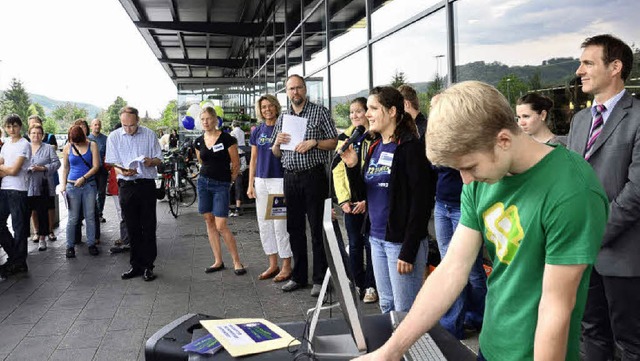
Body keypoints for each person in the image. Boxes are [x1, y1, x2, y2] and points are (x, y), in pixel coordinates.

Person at [355, 81, 609, 361]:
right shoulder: (481, 181)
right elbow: (451, 270)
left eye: (470, 166)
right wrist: (389, 352)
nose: (465, 180)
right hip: (490, 348)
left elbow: (556, 309)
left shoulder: (572, 191)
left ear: (503, 140)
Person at [566, 34, 640, 361]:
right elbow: (570, 182)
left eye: (587, 63)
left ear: (615, 67)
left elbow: (636, 192)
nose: (579, 70)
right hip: (581, 253)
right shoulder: (580, 120)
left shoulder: (637, 116)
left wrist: (595, 233)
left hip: (624, 255)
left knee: (629, 343)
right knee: (589, 332)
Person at [341, 87, 434, 313]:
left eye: (373, 108)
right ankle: (392, 349)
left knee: (404, 310)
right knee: (386, 305)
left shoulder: (409, 148)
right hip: (377, 239)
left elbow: (421, 203)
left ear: (392, 111)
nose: (368, 114)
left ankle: (413, 350)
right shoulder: (375, 146)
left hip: (400, 242)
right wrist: (353, 167)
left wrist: (409, 249)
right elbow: (363, 194)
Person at [271, 74, 338, 296]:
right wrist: (277, 143)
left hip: (313, 176)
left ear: (305, 89)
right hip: (290, 177)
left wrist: (315, 142)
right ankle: (298, 277)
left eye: (299, 88)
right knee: (294, 229)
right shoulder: (283, 117)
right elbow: (275, 152)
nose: (295, 92)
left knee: (318, 229)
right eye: (291, 89)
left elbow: (334, 141)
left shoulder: (319, 112)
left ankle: (320, 279)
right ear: (287, 92)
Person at [105, 106, 162, 281]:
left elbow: (159, 159)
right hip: (127, 185)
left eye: (131, 125)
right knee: (132, 226)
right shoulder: (114, 137)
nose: (128, 129)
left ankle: (148, 266)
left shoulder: (149, 134)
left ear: (138, 121)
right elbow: (112, 163)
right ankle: (135, 265)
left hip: (146, 184)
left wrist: (150, 161)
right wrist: (123, 171)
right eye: (124, 125)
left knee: (148, 226)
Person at [332, 97, 378, 304]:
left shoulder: (376, 138)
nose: (354, 116)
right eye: (351, 112)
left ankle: (371, 285)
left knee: (371, 244)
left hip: (371, 203)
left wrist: (368, 200)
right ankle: (357, 282)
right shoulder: (345, 138)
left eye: (358, 111)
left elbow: (377, 173)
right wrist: (343, 200)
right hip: (350, 203)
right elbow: (338, 172)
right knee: (355, 243)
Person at [194, 106, 246, 276]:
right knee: (209, 221)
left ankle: (237, 262)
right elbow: (201, 161)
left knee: (221, 225)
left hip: (221, 185)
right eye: (203, 119)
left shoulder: (227, 139)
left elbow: (236, 164)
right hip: (203, 183)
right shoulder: (198, 141)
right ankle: (218, 261)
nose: (206, 122)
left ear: (216, 120)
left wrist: (228, 181)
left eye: (209, 118)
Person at [247, 94, 292, 282]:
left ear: (276, 107)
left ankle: (286, 266)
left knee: (279, 224)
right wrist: (250, 184)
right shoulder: (257, 130)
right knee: (264, 224)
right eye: (263, 107)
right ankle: (273, 264)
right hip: (261, 180)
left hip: (278, 180)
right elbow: (254, 159)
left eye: (270, 106)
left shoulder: (284, 128)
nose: (267, 109)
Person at [61, 125, 100, 258]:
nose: (75, 144)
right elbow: (65, 167)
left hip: (89, 185)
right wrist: (63, 185)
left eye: (78, 141)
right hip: (72, 186)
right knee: (73, 218)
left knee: (90, 216)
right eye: (73, 141)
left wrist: (84, 178)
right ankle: (69, 246)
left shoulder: (92, 145)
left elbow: (96, 166)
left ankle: (91, 243)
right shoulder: (68, 147)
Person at [0, 114, 31, 277]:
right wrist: (7, 168)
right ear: (5, 128)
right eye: (9, 126)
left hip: (19, 190)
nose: (12, 129)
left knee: (19, 228)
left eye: (15, 126)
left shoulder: (24, 144)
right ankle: (15, 258)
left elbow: (14, 170)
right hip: (4, 189)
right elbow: (5, 168)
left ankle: (19, 262)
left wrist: (5, 168)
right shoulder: (5, 145)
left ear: (20, 127)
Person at [27, 124, 60, 251]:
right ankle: (33, 233)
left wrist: (43, 168)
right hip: (28, 184)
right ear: (29, 134)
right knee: (30, 211)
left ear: (43, 135)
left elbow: (57, 163)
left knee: (43, 211)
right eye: (33, 133)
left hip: (43, 185)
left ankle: (42, 238)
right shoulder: (26, 148)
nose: (36, 135)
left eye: (39, 133)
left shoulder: (48, 148)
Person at [88, 119, 109, 223]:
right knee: (90, 192)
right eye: (95, 124)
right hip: (89, 170)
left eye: (99, 125)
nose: (97, 126)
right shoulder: (87, 139)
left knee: (101, 193)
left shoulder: (105, 139)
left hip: (102, 170)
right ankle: (90, 214)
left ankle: (99, 213)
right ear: (91, 126)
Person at [230, 120, 246, 216]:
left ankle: (238, 207)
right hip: (230, 173)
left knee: (238, 185)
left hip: (238, 172)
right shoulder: (242, 132)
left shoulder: (240, 152)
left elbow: (244, 164)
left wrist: (239, 170)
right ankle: (227, 206)